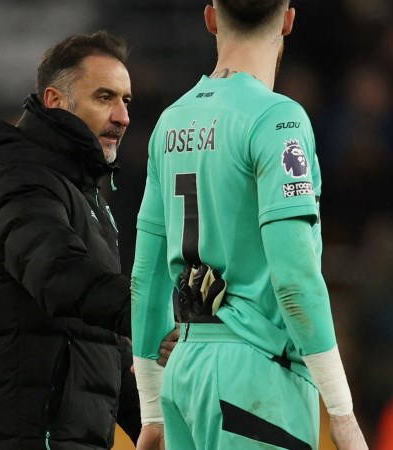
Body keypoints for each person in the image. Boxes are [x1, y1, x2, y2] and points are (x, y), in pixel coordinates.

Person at [131, 1, 368, 449]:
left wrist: (151, 409)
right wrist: (342, 411)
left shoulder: (170, 122)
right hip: (258, 376)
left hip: (185, 371)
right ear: (288, 19)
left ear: (210, 18)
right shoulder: (277, 120)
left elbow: (146, 275)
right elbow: (295, 280)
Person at [0, 31, 140, 450]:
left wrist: (155, 424)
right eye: (105, 97)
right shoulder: (15, 178)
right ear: (55, 100)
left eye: (126, 101)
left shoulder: (83, 195)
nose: (123, 116)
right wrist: (153, 311)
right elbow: (60, 277)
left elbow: (95, 338)